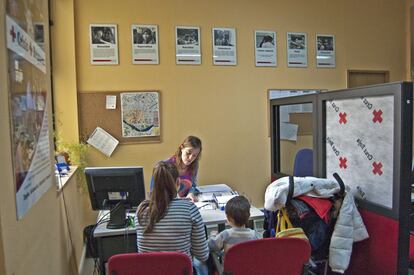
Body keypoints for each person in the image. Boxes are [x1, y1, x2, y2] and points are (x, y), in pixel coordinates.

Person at [136, 161, 209, 275]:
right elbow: (202, 255)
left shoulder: (141, 211)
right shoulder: (189, 208)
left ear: (153, 184)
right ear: (178, 182)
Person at [150, 135, 202, 202]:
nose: (191, 158)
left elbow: (193, 185)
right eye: (188, 153)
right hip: (167, 204)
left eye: (195, 155)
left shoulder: (194, 165)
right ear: (182, 148)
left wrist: (191, 193)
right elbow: (153, 192)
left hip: (186, 203)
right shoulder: (165, 166)